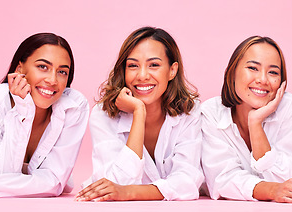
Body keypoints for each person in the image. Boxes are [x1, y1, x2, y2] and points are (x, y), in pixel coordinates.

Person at [76, 27, 203, 201]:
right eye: (133, 66)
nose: (142, 75)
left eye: (154, 65)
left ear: (172, 70)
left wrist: (128, 192)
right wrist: (139, 112)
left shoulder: (190, 111)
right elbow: (113, 184)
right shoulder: (102, 114)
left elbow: (187, 182)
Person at [0, 33, 89, 197]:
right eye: (43, 67)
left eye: (62, 72)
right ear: (20, 69)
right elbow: (0, 174)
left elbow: (54, 183)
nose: (53, 80)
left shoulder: (73, 106)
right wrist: (23, 109)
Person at [201, 36, 292, 202]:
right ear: (232, 72)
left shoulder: (290, 106)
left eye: (273, 72)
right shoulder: (210, 112)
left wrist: (255, 124)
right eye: (253, 68)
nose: (263, 79)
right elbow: (221, 180)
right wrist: (271, 190)